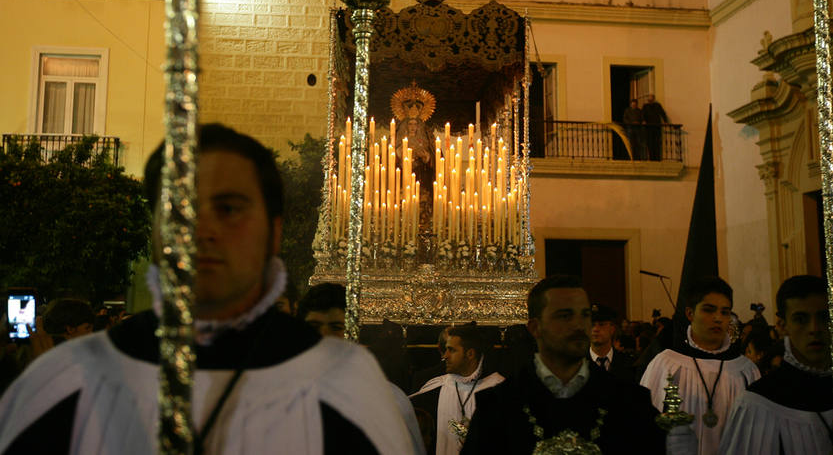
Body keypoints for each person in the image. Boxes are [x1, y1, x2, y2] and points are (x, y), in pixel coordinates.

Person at [0, 124, 414, 454]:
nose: (203, 231)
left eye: (229, 209)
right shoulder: (66, 380)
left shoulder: (347, 384)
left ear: (273, 232)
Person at [461, 275, 666, 454]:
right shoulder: (498, 407)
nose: (579, 325)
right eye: (565, 316)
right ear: (535, 328)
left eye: (585, 315)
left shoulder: (630, 402)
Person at [297, 282, 426, 455]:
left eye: (336, 327)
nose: (324, 336)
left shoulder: (388, 400)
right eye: (314, 327)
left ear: (352, 332)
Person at [640, 277, 760, 455]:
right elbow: (644, 427)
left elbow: (758, 436)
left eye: (725, 312)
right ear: (690, 314)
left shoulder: (746, 371)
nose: (718, 318)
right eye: (709, 310)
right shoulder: (666, 364)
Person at [719, 275, 832, 454]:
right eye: (801, 319)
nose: (814, 329)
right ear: (782, 325)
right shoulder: (757, 404)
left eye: (824, 317)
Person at [410, 325, 504, 455]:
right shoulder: (435, 389)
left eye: (452, 350)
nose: (445, 356)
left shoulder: (499, 390)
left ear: (470, 354)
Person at [588, 304, 636, 382]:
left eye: (601, 324)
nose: (596, 329)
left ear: (612, 329)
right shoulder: (575, 366)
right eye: (592, 325)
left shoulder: (627, 363)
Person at [641, 94, 669, 161]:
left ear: (653, 99)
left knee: (656, 142)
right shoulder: (645, 106)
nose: (650, 99)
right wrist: (643, 120)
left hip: (656, 126)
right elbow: (642, 114)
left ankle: (657, 158)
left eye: (651, 98)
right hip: (649, 127)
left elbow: (662, 113)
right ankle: (651, 158)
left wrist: (665, 121)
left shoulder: (657, 105)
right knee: (650, 143)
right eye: (649, 98)